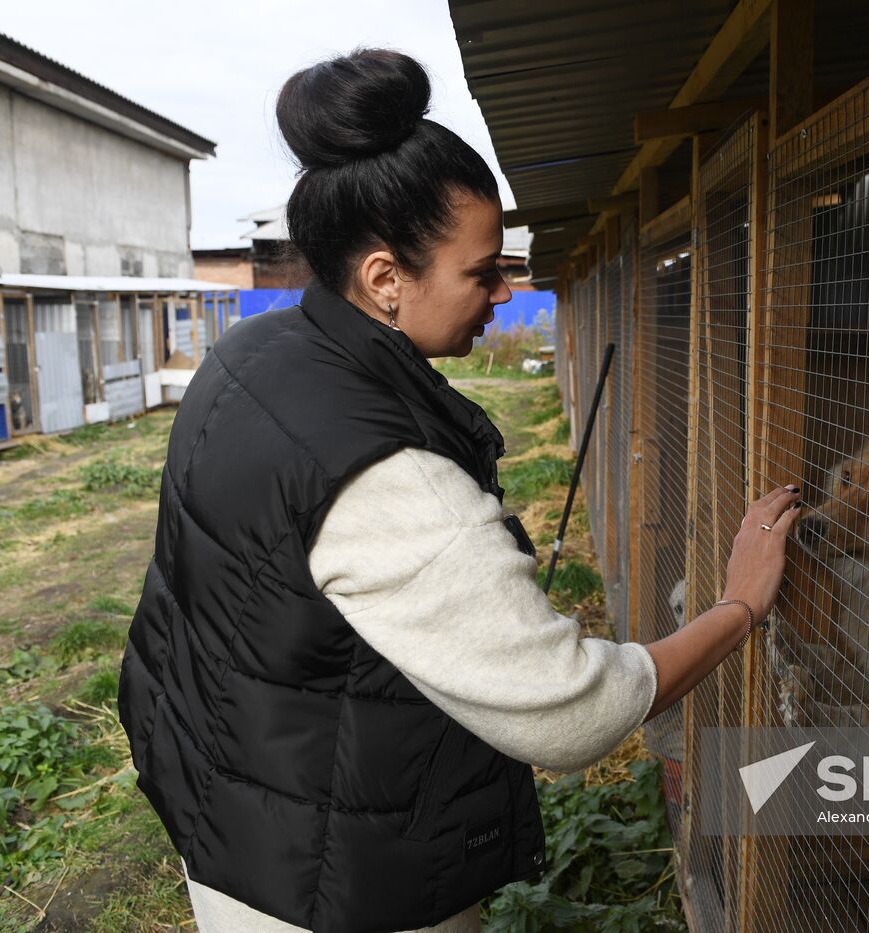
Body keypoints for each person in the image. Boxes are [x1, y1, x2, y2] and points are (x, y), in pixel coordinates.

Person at [118, 48, 802, 933]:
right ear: (384, 279)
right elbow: (575, 711)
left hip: (237, 817)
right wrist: (740, 605)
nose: (506, 292)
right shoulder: (387, 478)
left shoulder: (249, 358)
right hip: (339, 890)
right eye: (483, 272)